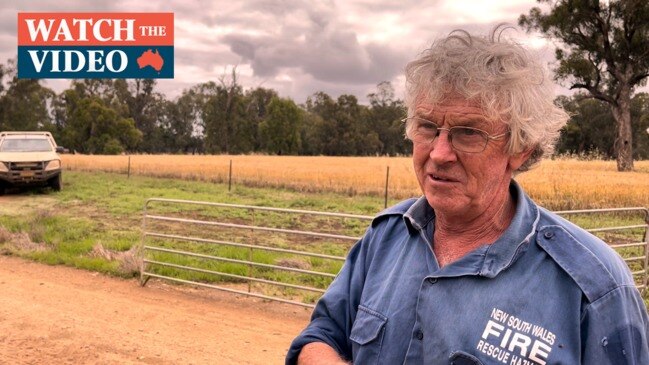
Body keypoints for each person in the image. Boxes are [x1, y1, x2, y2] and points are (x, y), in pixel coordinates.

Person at [286, 26, 649, 365]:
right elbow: (322, 334)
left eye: (468, 133)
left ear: (520, 148)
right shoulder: (387, 237)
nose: (440, 153)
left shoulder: (594, 285)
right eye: (428, 127)